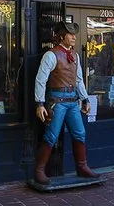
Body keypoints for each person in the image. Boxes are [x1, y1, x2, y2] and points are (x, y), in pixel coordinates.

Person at [31, 19, 98, 183]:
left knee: (80, 133)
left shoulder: (75, 55)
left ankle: (82, 167)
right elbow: (40, 80)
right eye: (70, 34)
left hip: (72, 102)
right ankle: (39, 170)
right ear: (62, 36)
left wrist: (85, 98)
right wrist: (39, 103)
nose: (74, 37)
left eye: (74, 34)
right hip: (57, 102)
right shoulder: (51, 55)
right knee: (51, 136)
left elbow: (79, 79)